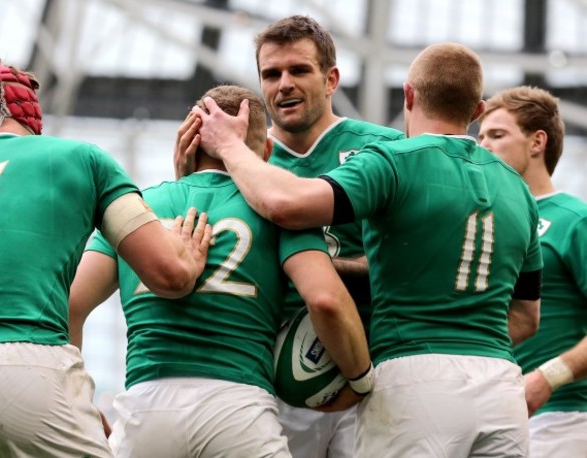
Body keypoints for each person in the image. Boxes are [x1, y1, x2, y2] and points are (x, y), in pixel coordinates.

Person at [191, 43, 544, 457]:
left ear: (408, 95)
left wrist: (229, 147)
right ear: (477, 110)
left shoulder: (393, 160)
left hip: (413, 377)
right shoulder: (519, 189)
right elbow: (526, 317)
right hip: (501, 386)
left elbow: (286, 206)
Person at [69, 84, 373, 458]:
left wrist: (76, 403)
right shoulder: (282, 213)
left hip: (145, 410)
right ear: (265, 152)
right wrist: (360, 379)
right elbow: (325, 300)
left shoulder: (138, 208)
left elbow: (68, 306)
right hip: (238, 407)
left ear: (188, 145)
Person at [0, 60, 210, 457]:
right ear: (33, 116)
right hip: (29, 365)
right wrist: (188, 255)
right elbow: (168, 275)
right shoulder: (82, 159)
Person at [175, 15, 403, 458]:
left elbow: (409, 266)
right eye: (271, 74)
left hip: (373, 370)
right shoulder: (234, 160)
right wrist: (188, 186)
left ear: (331, 78)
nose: (283, 85)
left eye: (299, 70)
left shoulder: (386, 149)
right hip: (273, 375)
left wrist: (314, 270)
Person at [478, 85, 587, 458]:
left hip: (565, 418)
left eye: (497, 134)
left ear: (537, 142)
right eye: (479, 137)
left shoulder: (575, 220)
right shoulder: (483, 224)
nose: (483, 146)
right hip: (491, 415)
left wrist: (548, 378)